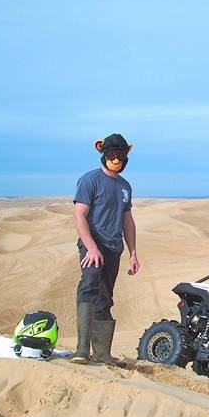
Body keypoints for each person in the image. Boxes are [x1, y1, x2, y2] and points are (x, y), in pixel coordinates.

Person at [69, 133, 140, 367]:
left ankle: (102, 354)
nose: (116, 158)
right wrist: (91, 247)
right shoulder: (90, 180)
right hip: (93, 245)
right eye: (112, 154)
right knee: (89, 286)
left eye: (120, 154)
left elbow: (128, 221)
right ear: (103, 153)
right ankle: (81, 350)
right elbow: (79, 215)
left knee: (105, 297)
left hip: (113, 247)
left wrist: (133, 254)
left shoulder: (125, 186)